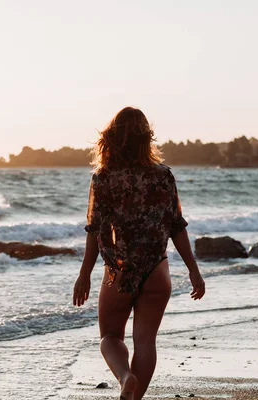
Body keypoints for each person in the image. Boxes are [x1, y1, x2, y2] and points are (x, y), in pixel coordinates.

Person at [73, 107, 205, 400]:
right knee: (145, 341)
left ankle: (124, 377)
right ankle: (133, 396)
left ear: (111, 138)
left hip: (119, 269)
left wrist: (84, 275)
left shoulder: (103, 177)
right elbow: (176, 226)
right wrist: (193, 270)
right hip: (157, 269)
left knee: (110, 337)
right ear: (147, 138)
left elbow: (94, 230)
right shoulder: (163, 176)